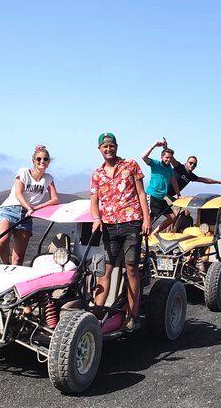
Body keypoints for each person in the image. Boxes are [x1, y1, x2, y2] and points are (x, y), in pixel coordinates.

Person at [90, 132, 151, 332]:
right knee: (105, 270)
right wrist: (96, 218)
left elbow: (142, 193)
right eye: (105, 147)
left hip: (131, 222)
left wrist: (146, 219)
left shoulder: (131, 165)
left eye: (111, 146)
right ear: (99, 149)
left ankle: (132, 315)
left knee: (131, 268)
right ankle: (97, 314)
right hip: (108, 225)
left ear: (116, 146)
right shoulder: (97, 174)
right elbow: (94, 202)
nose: (108, 149)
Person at [0, 145, 59, 266]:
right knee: (2, 241)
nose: (42, 161)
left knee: (19, 259)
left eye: (45, 159)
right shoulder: (23, 172)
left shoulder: (48, 178)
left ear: (49, 162)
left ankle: (14, 277)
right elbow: (18, 194)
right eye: (39, 159)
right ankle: (5, 265)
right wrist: (29, 207)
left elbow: (55, 199)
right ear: (34, 161)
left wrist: (37, 207)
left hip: (26, 216)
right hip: (10, 209)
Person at [166, 155, 221, 232]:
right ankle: (167, 234)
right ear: (186, 162)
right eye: (191, 163)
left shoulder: (191, 176)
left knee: (186, 213)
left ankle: (176, 231)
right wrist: (165, 148)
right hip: (163, 194)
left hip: (170, 195)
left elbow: (204, 180)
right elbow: (172, 159)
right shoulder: (179, 167)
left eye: (195, 164)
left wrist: (218, 182)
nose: (192, 165)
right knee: (175, 213)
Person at [142, 139, 180, 234]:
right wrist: (154, 145)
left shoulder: (170, 169)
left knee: (172, 218)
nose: (168, 160)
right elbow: (143, 157)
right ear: (162, 157)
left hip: (161, 198)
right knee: (149, 219)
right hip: (152, 195)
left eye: (170, 158)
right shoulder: (156, 164)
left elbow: (174, 181)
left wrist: (179, 194)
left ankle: (153, 234)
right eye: (166, 157)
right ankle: (142, 238)